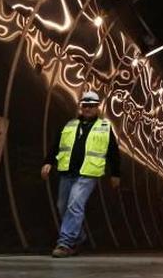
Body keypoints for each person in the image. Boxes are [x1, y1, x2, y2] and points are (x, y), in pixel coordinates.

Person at [41, 90, 120, 258]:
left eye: (91, 105)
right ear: (81, 107)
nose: (88, 108)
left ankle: (65, 243)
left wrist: (115, 174)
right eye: (85, 105)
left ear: (97, 107)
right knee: (62, 206)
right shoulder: (70, 125)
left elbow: (113, 151)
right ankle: (80, 237)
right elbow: (56, 144)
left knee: (74, 205)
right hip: (67, 172)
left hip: (87, 174)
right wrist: (48, 162)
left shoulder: (105, 127)